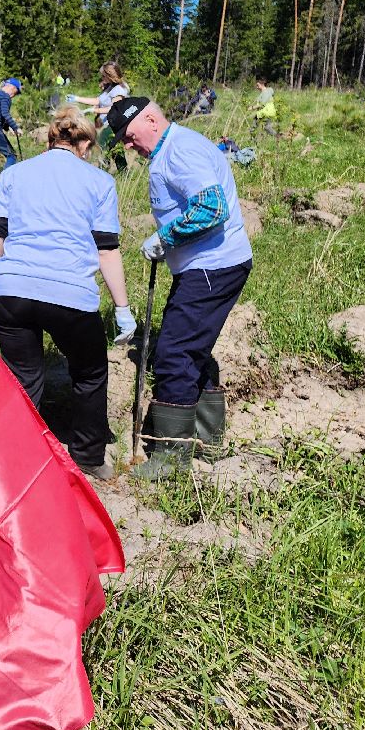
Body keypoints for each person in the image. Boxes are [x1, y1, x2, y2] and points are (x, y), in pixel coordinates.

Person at [0, 108, 136, 480]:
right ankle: (88, 456)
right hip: (71, 294)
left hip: (9, 292)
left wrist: (13, 270)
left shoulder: (15, 173)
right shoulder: (99, 182)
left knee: (22, 377)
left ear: (50, 140)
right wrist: (122, 307)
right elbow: (106, 249)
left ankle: (13, 462)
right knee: (89, 372)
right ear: (84, 144)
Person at [108, 97, 254, 476]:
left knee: (174, 354)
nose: (127, 144)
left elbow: (211, 207)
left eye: (129, 134)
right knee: (193, 349)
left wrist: (166, 238)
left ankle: (170, 459)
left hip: (212, 267)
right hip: (210, 265)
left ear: (151, 119)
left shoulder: (179, 152)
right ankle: (207, 442)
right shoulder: (176, 147)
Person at [70, 61, 130, 173]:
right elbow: (98, 100)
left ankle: (103, 172)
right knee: (114, 150)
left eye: (104, 75)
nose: (102, 77)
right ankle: (123, 173)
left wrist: (94, 110)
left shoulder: (119, 90)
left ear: (110, 75)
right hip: (105, 125)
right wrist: (77, 98)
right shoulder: (110, 88)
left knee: (103, 148)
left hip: (112, 125)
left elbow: (113, 108)